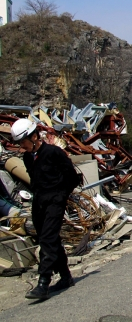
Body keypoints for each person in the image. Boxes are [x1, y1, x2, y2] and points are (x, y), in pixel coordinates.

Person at [11, 119, 80, 300]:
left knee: (48, 240)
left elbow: (72, 177)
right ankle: (65, 276)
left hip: (55, 202)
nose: (21, 146)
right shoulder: (27, 157)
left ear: (34, 136)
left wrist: (61, 196)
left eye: (23, 142)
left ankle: (43, 282)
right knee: (49, 239)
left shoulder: (53, 152)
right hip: (39, 203)